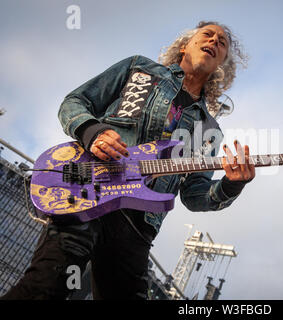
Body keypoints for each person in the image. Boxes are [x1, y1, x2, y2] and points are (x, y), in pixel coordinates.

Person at [1, 21, 255, 300]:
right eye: (208, 34)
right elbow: (75, 102)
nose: (215, 41)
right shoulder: (139, 69)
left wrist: (232, 185)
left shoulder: (209, 131)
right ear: (185, 45)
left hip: (138, 226)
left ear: (221, 65)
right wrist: (93, 133)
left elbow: (195, 196)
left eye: (222, 43)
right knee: (45, 288)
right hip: (87, 195)